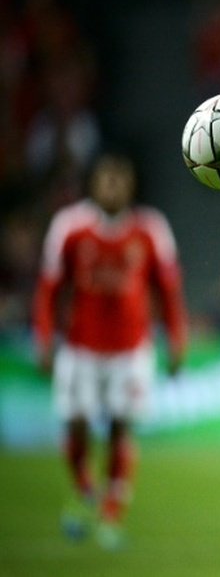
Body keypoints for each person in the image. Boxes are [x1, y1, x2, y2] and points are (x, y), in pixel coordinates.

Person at [32, 150, 188, 550]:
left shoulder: (151, 229)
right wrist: (44, 337)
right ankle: (86, 490)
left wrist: (177, 338)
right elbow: (49, 289)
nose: (112, 186)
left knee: (121, 426)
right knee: (77, 424)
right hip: (80, 346)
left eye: (120, 179)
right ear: (94, 184)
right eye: (106, 179)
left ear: (131, 185)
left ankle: (111, 513)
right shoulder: (70, 228)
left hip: (131, 348)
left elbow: (168, 291)